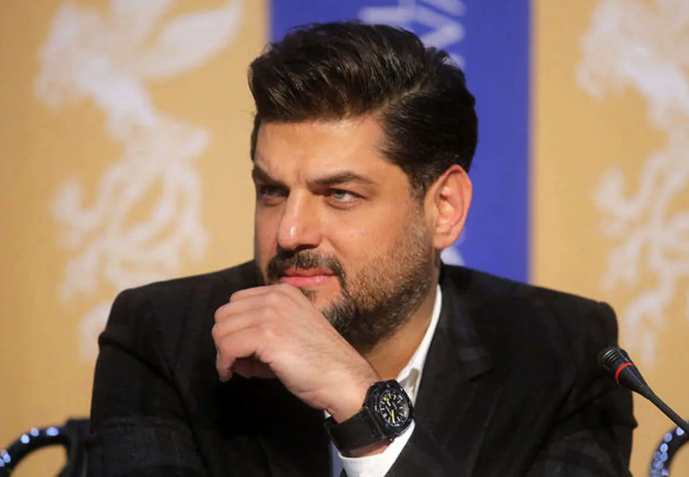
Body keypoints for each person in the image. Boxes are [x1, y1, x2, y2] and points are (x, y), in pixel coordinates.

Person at [87, 21, 636, 477]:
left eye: (340, 194)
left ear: (444, 208)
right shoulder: (165, 337)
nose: (289, 233)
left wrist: (362, 407)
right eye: (272, 191)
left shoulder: (566, 356)